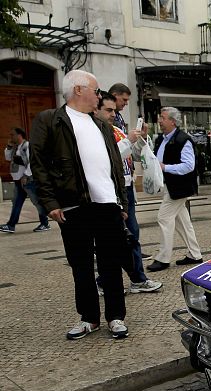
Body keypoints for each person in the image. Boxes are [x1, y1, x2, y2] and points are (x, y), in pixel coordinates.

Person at [29, 69, 130, 340]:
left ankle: (116, 317)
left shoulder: (101, 125)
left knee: (111, 263)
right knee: (81, 264)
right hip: (74, 205)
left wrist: (121, 201)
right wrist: (49, 202)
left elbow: (115, 165)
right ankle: (89, 318)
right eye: (96, 91)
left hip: (107, 203)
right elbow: (38, 164)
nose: (99, 96)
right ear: (78, 90)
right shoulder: (51, 120)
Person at [94, 91, 162, 294]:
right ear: (96, 110)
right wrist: (128, 141)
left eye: (114, 110)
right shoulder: (94, 133)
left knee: (130, 236)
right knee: (117, 239)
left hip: (125, 189)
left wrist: (142, 137)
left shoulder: (115, 129)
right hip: (109, 191)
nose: (113, 114)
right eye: (108, 110)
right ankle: (112, 280)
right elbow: (108, 159)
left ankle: (134, 279)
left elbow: (137, 153)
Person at [146, 106, 203, 272]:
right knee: (182, 221)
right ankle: (195, 254)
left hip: (179, 187)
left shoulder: (183, 140)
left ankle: (163, 258)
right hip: (169, 186)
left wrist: (165, 167)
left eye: (163, 118)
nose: (160, 121)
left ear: (172, 121)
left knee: (164, 218)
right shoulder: (160, 139)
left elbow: (189, 166)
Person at [1, 128, 50, 233]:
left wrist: (26, 175)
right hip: (19, 181)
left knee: (37, 202)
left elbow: (32, 162)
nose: (11, 137)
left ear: (19, 135)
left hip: (27, 181)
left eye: (12, 135)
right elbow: (8, 158)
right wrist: (9, 147)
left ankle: (45, 223)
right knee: (17, 203)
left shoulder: (26, 146)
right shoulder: (16, 147)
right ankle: (11, 225)